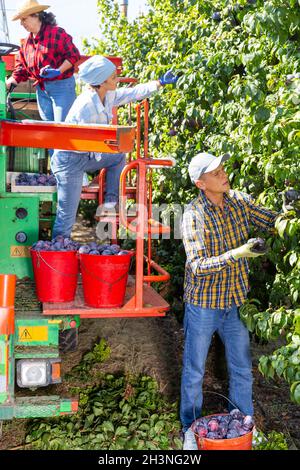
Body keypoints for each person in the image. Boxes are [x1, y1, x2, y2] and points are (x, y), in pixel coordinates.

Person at [180, 152, 280, 450]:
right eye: (215, 173)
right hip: (204, 304)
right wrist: (237, 254)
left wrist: (288, 210)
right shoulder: (193, 215)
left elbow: (272, 220)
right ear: (201, 183)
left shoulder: (238, 201)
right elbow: (197, 265)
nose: (223, 174)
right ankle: (189, 428)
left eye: (223, 168)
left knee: (240, 367)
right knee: (194, 370)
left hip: (235, 301)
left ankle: (243, 424)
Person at [50, 55, 178, 238]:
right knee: (66, 216)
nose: (117, 80)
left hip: (87, 154)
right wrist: (85, 176)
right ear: (101, 82)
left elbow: (133, 93)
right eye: (113, 78)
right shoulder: (85, 106)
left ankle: (109, 205)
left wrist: (159, 83)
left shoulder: (108, 95)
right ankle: (57, 256)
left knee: (118, 156)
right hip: (69, 160)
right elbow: (77, 141)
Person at [6, 0, 80, 123]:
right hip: (42, 89)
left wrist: (58, 71)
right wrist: (6, 83)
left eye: (24, 19)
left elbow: (73, 55)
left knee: (64, 126)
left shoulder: (57, 33)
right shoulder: (26, 43)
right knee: (48, 129)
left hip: (61, 86)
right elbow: (21, 69)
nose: (21, 24)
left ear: (36, 15)